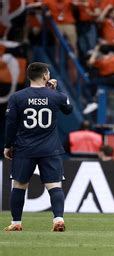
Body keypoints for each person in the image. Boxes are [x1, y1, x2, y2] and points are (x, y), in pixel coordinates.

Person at [4, 62, 73, 232]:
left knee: (19, 186)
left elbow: (11, 124)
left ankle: (16, 223)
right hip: (50, 149)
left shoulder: (17, 97)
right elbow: (69, 109)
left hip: (24, 149)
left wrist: (7, 145)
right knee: (54, 186)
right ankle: (58, 219)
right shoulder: (56, 96)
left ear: (29, 76)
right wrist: (54, 92)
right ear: (45, 76)